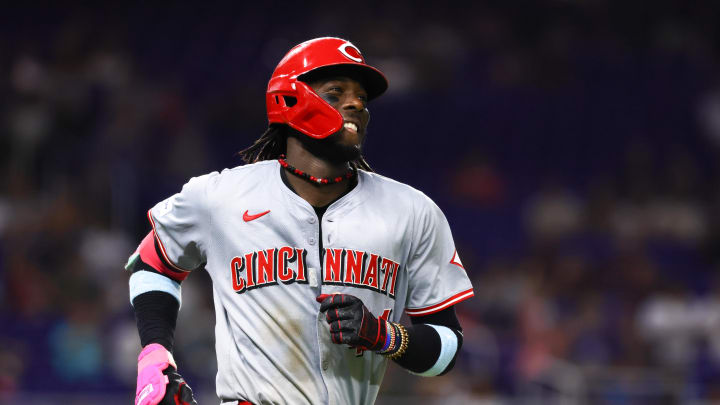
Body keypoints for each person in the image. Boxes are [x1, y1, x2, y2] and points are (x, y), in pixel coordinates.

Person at [126, 37, 474, 405]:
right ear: (288, 100)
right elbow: (151, 264)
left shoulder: (411, 211)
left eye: (361, 97)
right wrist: (154, 357)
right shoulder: (220, 197)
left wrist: (382, 334)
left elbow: (447, 349)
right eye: (336, 92)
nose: (356, 103)